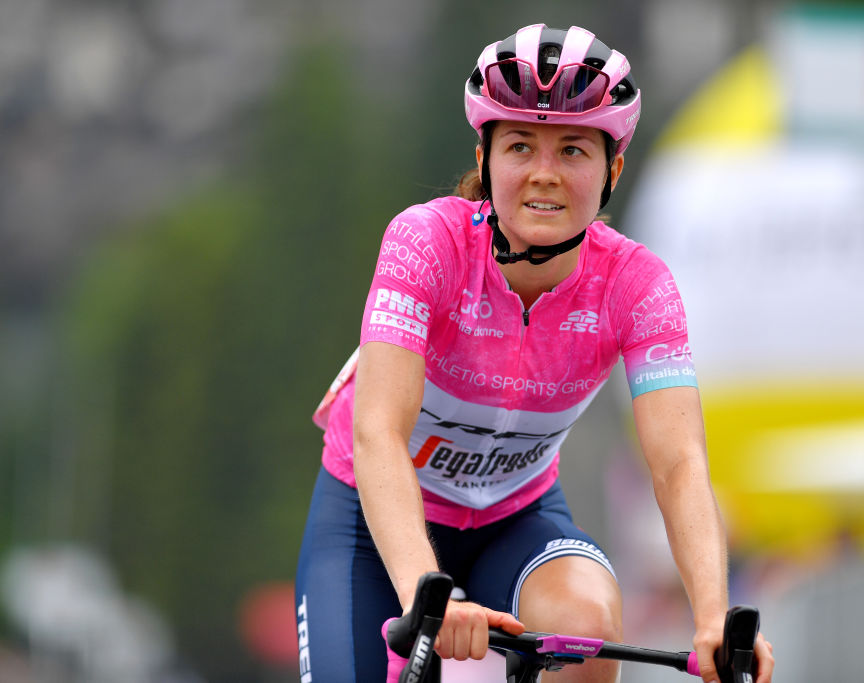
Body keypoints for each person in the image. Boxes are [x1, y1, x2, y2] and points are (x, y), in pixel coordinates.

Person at [295, 23, 774, 683]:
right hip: (373, 520)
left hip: (513, 516)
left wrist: (714, 617)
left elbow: (678, 461)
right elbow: (379, 431)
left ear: (613, 170)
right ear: (486, 156)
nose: (544, 175)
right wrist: (423, 593)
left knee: (587, 627)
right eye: (521, 145)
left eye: (574, 150)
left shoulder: (637, 284)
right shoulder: (423, 242)